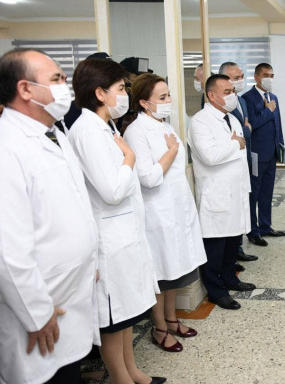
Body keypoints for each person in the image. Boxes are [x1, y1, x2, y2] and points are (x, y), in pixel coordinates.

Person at [0, 48, 98, 384]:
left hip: (69, 294)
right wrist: (37, 313)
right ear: (25, 89)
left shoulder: (55, 134)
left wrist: (91, 259)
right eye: (56, 79)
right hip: (38, 308)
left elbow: (75, 204)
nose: (64, 87)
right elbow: (8, 250)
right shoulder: (7, 146)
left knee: (67, 372)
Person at [68, 58, 165, 384]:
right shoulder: (87, 131)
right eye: (121, 88)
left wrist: (126, 160)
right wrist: (130, 158)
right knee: (113, 319)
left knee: (126, 314)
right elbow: (111, 191)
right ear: (100, 92)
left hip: (124, 234)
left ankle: (132, 372)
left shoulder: (105, 125)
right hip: (109, 240)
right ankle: (122, 379)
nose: (125, 94)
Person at [124, 73, 207, 352]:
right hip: (157, 212)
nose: (169, 100)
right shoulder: (136, 131)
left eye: (169, 94)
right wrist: (171, 151)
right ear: (144, 102)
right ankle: (159, 328)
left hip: (177, 208)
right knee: (161, 274)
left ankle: (172, 319)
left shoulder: (165, 125)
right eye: (162, 97)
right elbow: (147, 177)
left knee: (175, 271)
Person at [187, 74, 256, 310]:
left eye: (232, 91)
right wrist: (235, 143)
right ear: (211, 95)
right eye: (227, 92)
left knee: (232, 243)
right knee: (215, 248)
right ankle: (216, 291)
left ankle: (230, 278)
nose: (232, 95)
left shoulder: (232, 119)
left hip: (235, 192)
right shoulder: (200, 122)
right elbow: (210, 156)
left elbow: (240, 156)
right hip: (216, 194)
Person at [241, 63, 285, 247]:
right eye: (266, 75)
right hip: (256, 155)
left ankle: (265, 226)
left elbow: (277, 125)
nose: (269, 78)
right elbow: (250, 124)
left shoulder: (273, 97)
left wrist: (280, 147)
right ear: (257, 77)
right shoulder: (247, 98)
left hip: (271, 153)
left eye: (272, 75)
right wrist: (268, 111)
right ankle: (253, 231)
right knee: (254, 193)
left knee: (267, 193)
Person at [219, 61, 258, 266]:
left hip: (245, 156)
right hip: (229, 162)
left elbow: (244, 130)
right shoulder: (221, 105)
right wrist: (246, 131)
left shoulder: (240, 100)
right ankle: (234, 252)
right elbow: (239, 133)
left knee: (245, 202)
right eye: (236, 78)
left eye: (241, 77)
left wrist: (246, 131)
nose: (240, 81)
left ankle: (239, 247)